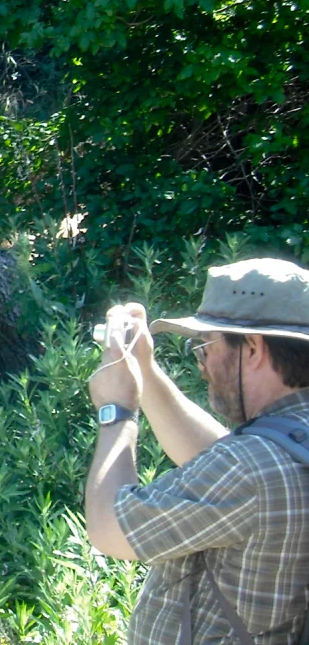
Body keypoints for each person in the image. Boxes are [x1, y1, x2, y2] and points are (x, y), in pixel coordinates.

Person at [85, 257, 309, 645]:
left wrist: (116, 411)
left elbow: (109, 528)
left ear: (253, 348)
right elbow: (215, 454)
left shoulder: (248, 469)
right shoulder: (287, 444)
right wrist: (145, 370)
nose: (202, 365)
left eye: (205, 346)